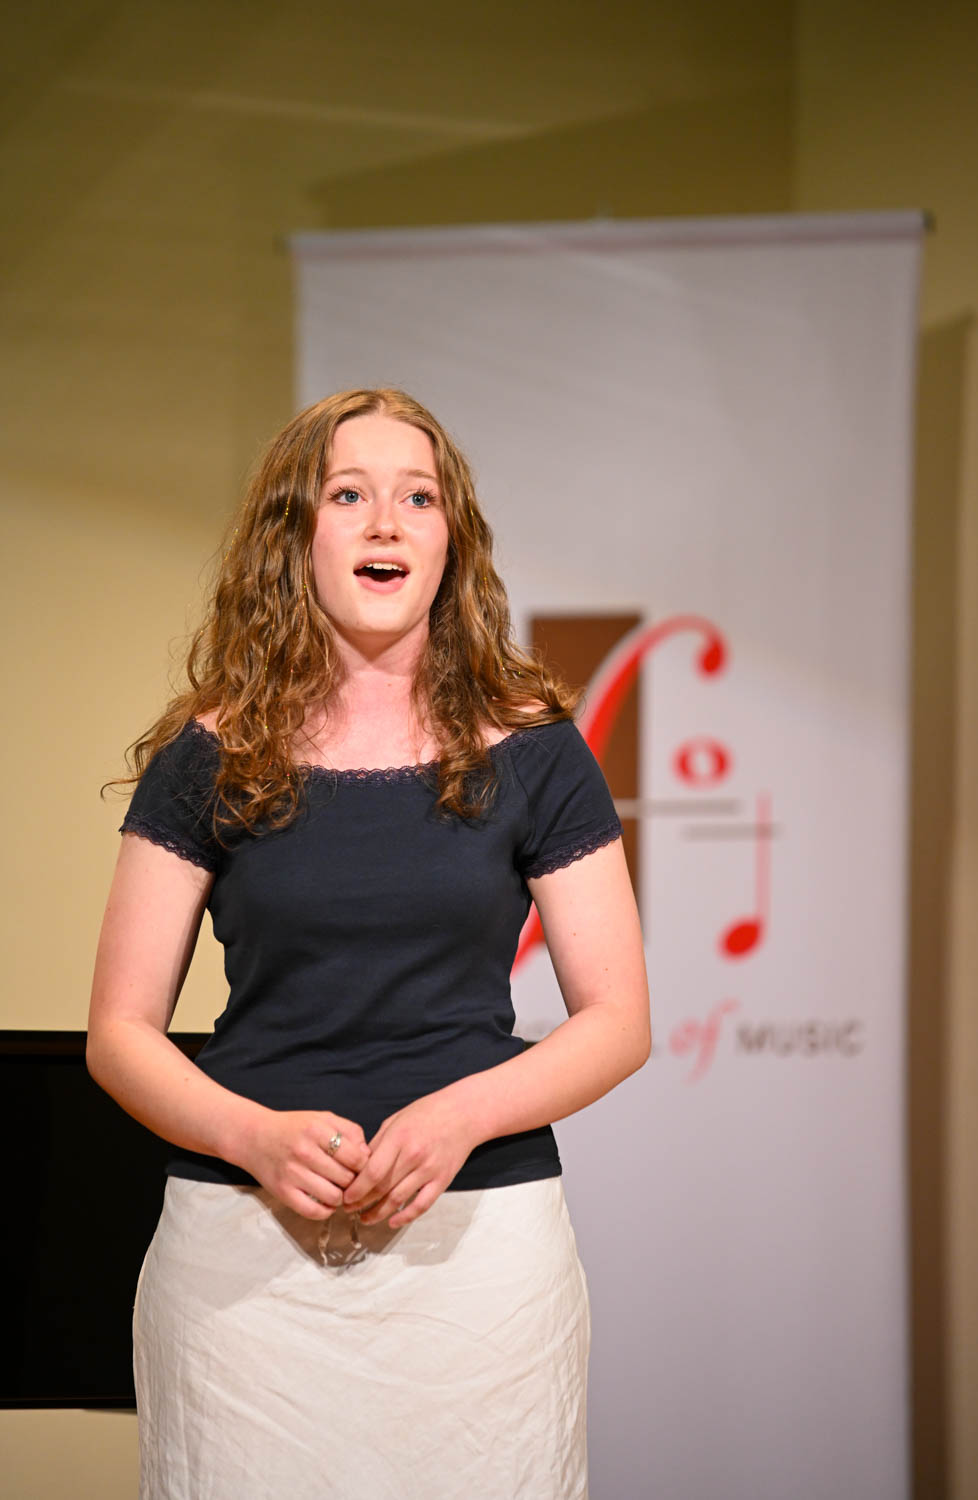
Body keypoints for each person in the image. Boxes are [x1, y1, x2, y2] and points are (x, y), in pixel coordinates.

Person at [87, 387, 650, 1500]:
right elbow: (120, 1032)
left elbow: (618, 1021)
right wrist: (253, 1138)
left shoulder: (536, 751)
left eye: (418, 498)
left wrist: (459, 1117)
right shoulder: (208, 757)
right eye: (348, 494)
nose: (386, 521)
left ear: (451, 540)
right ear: (294, 534)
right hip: (244, 1267)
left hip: (478, 1265)